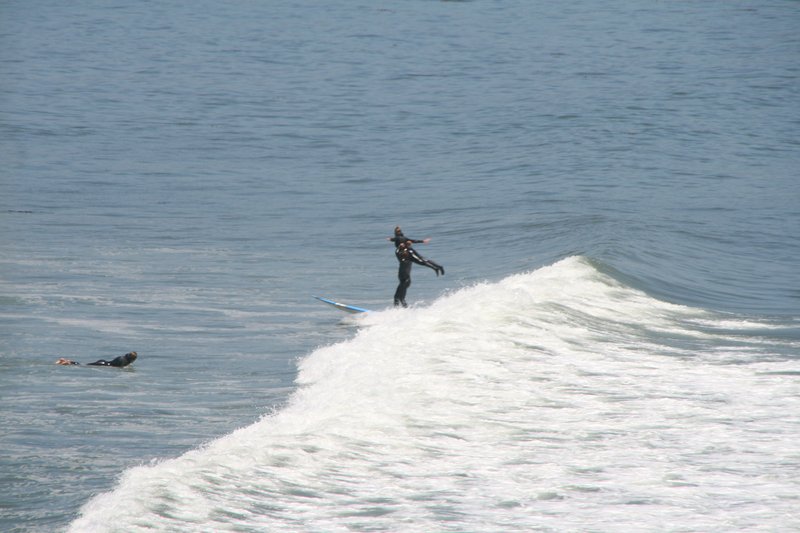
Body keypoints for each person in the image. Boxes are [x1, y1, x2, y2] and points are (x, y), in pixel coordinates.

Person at [394, 240, 444, 307]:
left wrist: (405, 246)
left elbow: (400, 250)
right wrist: (404, 245)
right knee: (398, 297)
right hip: (404, 279)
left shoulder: (404, 258)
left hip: (403, 278)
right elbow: (400, 250)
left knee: (399, 297)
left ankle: (401, 309)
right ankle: (400, 309)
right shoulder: (405, 258)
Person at [56, 351, 138, 368]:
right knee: (84, 365)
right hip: (104, 364)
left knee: (85, 364)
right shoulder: (124, 361)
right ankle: (66, 362)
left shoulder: (123, 358)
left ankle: (67, 361)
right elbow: (120, 367)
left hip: (104, 362)